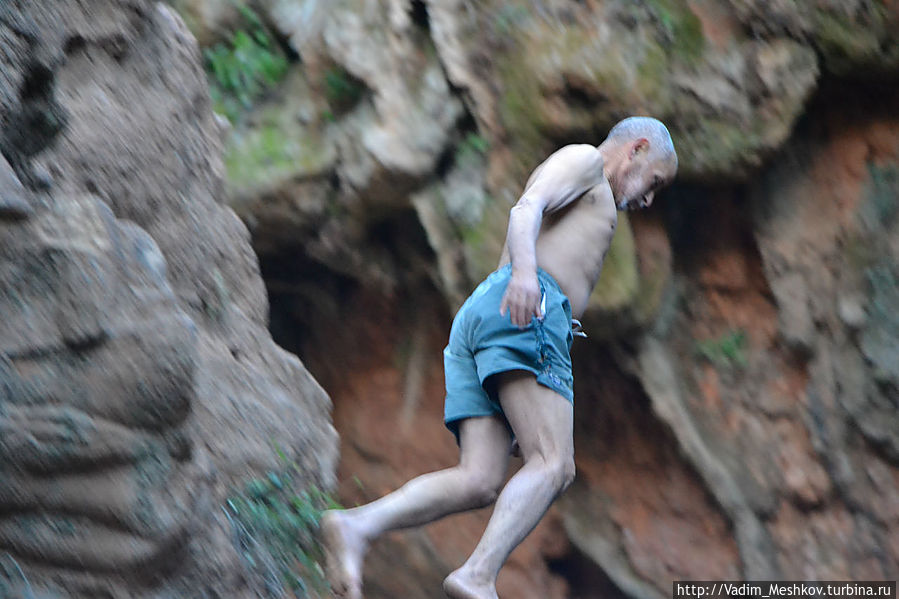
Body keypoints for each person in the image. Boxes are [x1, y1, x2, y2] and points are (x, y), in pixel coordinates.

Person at [321, 116, 678, 599]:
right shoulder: (588, 162)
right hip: (526, 309)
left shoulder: (593, 187)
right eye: (652, 182)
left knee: (479, 480)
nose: (647, 199)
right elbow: (525, 207)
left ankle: (357, 527)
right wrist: (527, 275)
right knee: (555, 464)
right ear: (636, 149)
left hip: (492, 316)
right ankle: (477, 574)